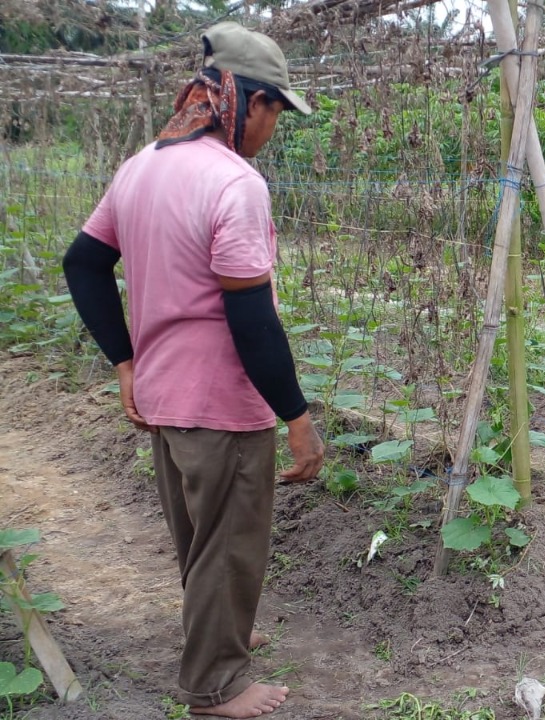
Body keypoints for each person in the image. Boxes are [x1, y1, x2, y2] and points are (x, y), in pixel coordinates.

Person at [61, 22, 323, 718]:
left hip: (160, 393)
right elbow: (251, 320)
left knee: (198, 538)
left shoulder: (142, 164)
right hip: (219, 400)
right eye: (277, 113)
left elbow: (83, 263)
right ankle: (215, 686)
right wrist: (297, 419)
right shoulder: (235, 184)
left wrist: (125, 362)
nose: (274, 129)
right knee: (230, 544)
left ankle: (222, 634)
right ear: (253, 103)